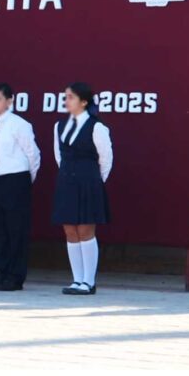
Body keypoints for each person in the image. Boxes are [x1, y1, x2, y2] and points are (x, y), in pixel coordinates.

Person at [53, 82, 113, 296]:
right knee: (70, 229)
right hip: (67, 182)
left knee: (86, 230)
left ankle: (89, 281)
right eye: (66, 96)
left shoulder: (96, 127)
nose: (66, 100)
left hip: (89, 182)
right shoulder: (59, 126)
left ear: (84, 102)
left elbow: (106, 159)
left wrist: (95, 182)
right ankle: (77, 279)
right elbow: (59, 156)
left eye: (71, 97)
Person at [0, 83, 40, 292]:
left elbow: (33, 154)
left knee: (16, 230)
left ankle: (15, 276)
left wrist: (24, 180)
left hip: (15, 180)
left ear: (9, 101)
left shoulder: (19, 124)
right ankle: (0, 274)